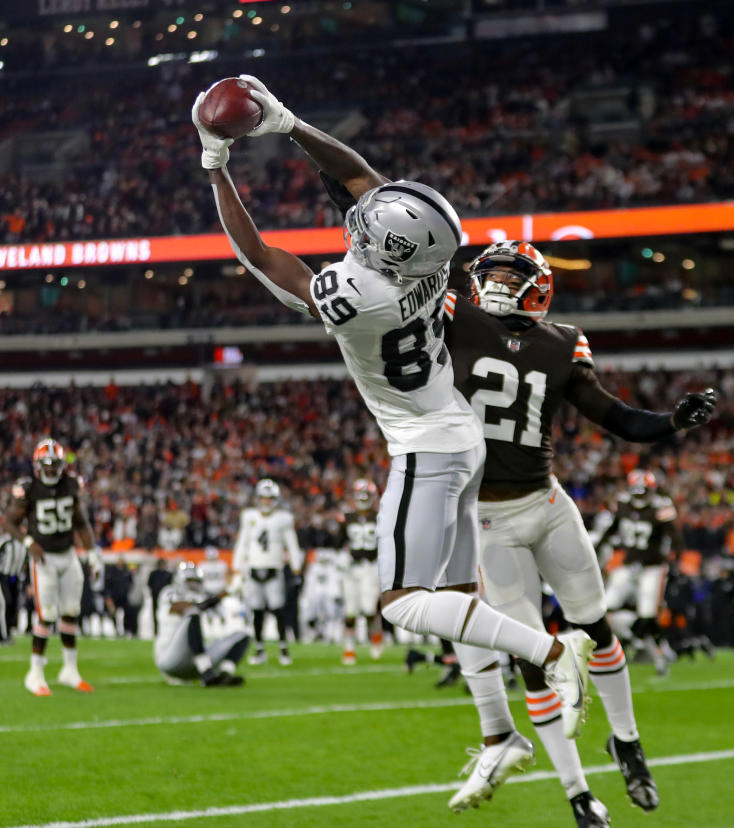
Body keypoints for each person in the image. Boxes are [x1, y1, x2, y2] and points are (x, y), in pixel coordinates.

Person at [194, 77, 594, 769]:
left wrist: (216, 164)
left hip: (426, 448)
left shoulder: (359, 294)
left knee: (403, 604)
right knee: (459, 593)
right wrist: (288, 122)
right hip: (460, 432)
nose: (358, 221)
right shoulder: (433, 257)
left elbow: (259, 256)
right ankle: (500, 735)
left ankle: (554, 651)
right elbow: (359, 178)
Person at [440, 240, 716, 818]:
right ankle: (577, 792)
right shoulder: (452, 318)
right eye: (488, 273)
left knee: (596, 625)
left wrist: (670, 422)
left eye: (509, 275)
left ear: (537, 286)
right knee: (534, 657)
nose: (494, 283)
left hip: (546, 503)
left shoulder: (562, 341)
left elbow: (613, 414)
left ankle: (627, 741)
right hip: (487, 519)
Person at [5, 437, 98, 695]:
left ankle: (70, 669)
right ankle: (34, 673)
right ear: (37, 465)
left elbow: (81, 522)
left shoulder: (70, 485)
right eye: (45, 465)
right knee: (46, 614)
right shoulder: (28, 488)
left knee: (71, 610)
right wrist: (27, 541)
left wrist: (92, 554)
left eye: (54, 465)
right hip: (43, 558)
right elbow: (8, 523)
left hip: (68, 555)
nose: (50, 470)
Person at [597, 471, 686, 676]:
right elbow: (611, 530)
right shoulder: (622, 503)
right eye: (636, 493)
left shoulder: (660, 506)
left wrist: (676, 556)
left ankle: (658, 656)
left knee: (648, 614)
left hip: (653, 567)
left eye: (643, 493)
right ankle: (631, 639)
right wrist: (597, 550)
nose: (640, 497)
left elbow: (674, 534)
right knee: (604, 608)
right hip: (628, 565)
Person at [232, 479, 303, 666]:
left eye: (269, 498)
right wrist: (237, 566)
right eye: (263, 498)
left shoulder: (283, 519)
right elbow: (243, 543)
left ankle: (283, 648)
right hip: (254, 569)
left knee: (278, 610)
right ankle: (260, 649)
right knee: (257, 611)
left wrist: (296, 566)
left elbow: (292, 545)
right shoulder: (249, 517)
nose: (266, 502)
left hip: (274, 569)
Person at [155, 563, 248, 687]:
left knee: (243, 635)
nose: (193, 585)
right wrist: (224, 593)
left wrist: (229, 592)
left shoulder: (201, 595)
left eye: (196, 581)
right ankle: (206, 673)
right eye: (190, 581)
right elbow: (186, 609)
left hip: (195, 660)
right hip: (170, 656)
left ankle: (224, 674)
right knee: (192, 614)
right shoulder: (169, 592)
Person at [340, 479, 383, 664]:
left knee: (368, 608)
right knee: (350, 611)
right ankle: (349, 648)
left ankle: (375, 638)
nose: (363, 499)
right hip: (352, 568)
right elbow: (338, 544)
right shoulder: (347, 518)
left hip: (371, 566)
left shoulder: (380, 517)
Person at [148, 557, 174, 636]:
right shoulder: (153, 574)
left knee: (164, 614)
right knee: (155, 614)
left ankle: (163, 631)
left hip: (164, 599)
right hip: (155, 597)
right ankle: (156, 631)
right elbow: (149, 584)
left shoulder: (168, 574)